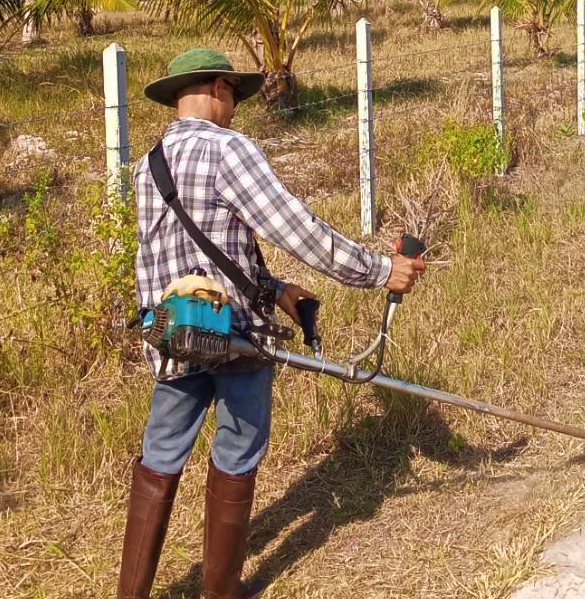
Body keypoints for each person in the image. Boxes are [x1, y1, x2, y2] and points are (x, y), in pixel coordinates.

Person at [118, 48, 425, 599]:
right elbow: (299, 231)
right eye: (233, 94)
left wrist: (276, 289)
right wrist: (380, 270)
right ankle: (221, 592)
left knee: (161, 456)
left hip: (175, 329)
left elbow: (182, 253)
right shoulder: (227, 150)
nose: (234, 108)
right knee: (236, 453)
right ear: (216, 88)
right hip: (237, 338)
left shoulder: (148, 164)